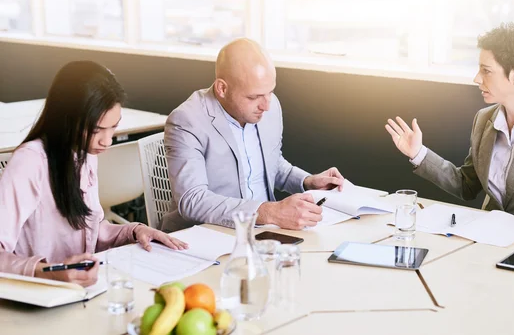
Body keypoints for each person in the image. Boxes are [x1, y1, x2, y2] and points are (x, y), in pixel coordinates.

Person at [385, 23, 514, 231]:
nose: (477, 78)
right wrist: (418, 153)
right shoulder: (484, 119)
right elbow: (466, 185)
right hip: (488, 235)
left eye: (486, 71)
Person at [0, 61, 188, 286]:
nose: (107, 141)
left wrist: (135, 231)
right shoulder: (30, 162)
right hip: (34, 295)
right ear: (66, 118)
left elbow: (91, 231)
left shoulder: (84, 154)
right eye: (96, 130)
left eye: (113, 127)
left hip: (78, 290)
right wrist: (47, 272)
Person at [161, 38, 344, 232]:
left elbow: (271, 164)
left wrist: (307, 182)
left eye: (270, 92)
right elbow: (192, 200)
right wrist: (270, 212)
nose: (265, 105)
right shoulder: (187, 120)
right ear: (222, 88)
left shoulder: (269, 107)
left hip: (265, 231)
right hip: (207, 235)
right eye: (253, 97)